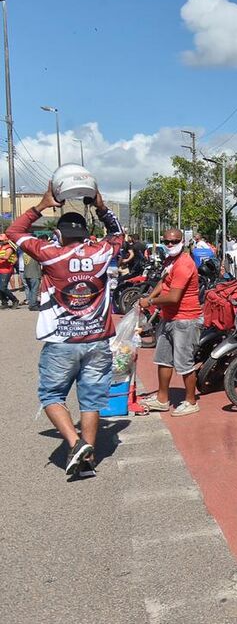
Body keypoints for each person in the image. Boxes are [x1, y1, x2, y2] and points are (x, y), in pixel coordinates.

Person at [6, 187, 125, 477]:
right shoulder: (101, 252)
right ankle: (88, 460)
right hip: (97, 340)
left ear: (59, 234)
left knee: (51, 396)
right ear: (85, 233)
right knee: (92, 400)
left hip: (62, 341)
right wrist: (101, 206)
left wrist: (41, 206)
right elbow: (117, 234)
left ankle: (75, 443)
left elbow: (14, 231)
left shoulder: (50, 253)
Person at [139, 228, 202, 417]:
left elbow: (174, 297)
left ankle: (191, 401)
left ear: (182, 241)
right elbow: (164, 282)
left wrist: (149, 302)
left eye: (174, 241)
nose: (170, 245)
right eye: (166, 241)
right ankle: (162, 398)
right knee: (163, 359)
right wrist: (150, 295)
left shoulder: (184, 264)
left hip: (185, 319)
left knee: (184, 364)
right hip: (169, 318)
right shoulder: (171, 261)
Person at [0, 235, 18, 307]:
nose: (0, 242)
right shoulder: (1, 247)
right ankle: (4, 302)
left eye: (1, 240)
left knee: (2, 287)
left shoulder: (9, 247)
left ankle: (14, 300)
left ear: (6, 240)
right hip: (1, 269)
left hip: (6, 270)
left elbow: (7, 257)